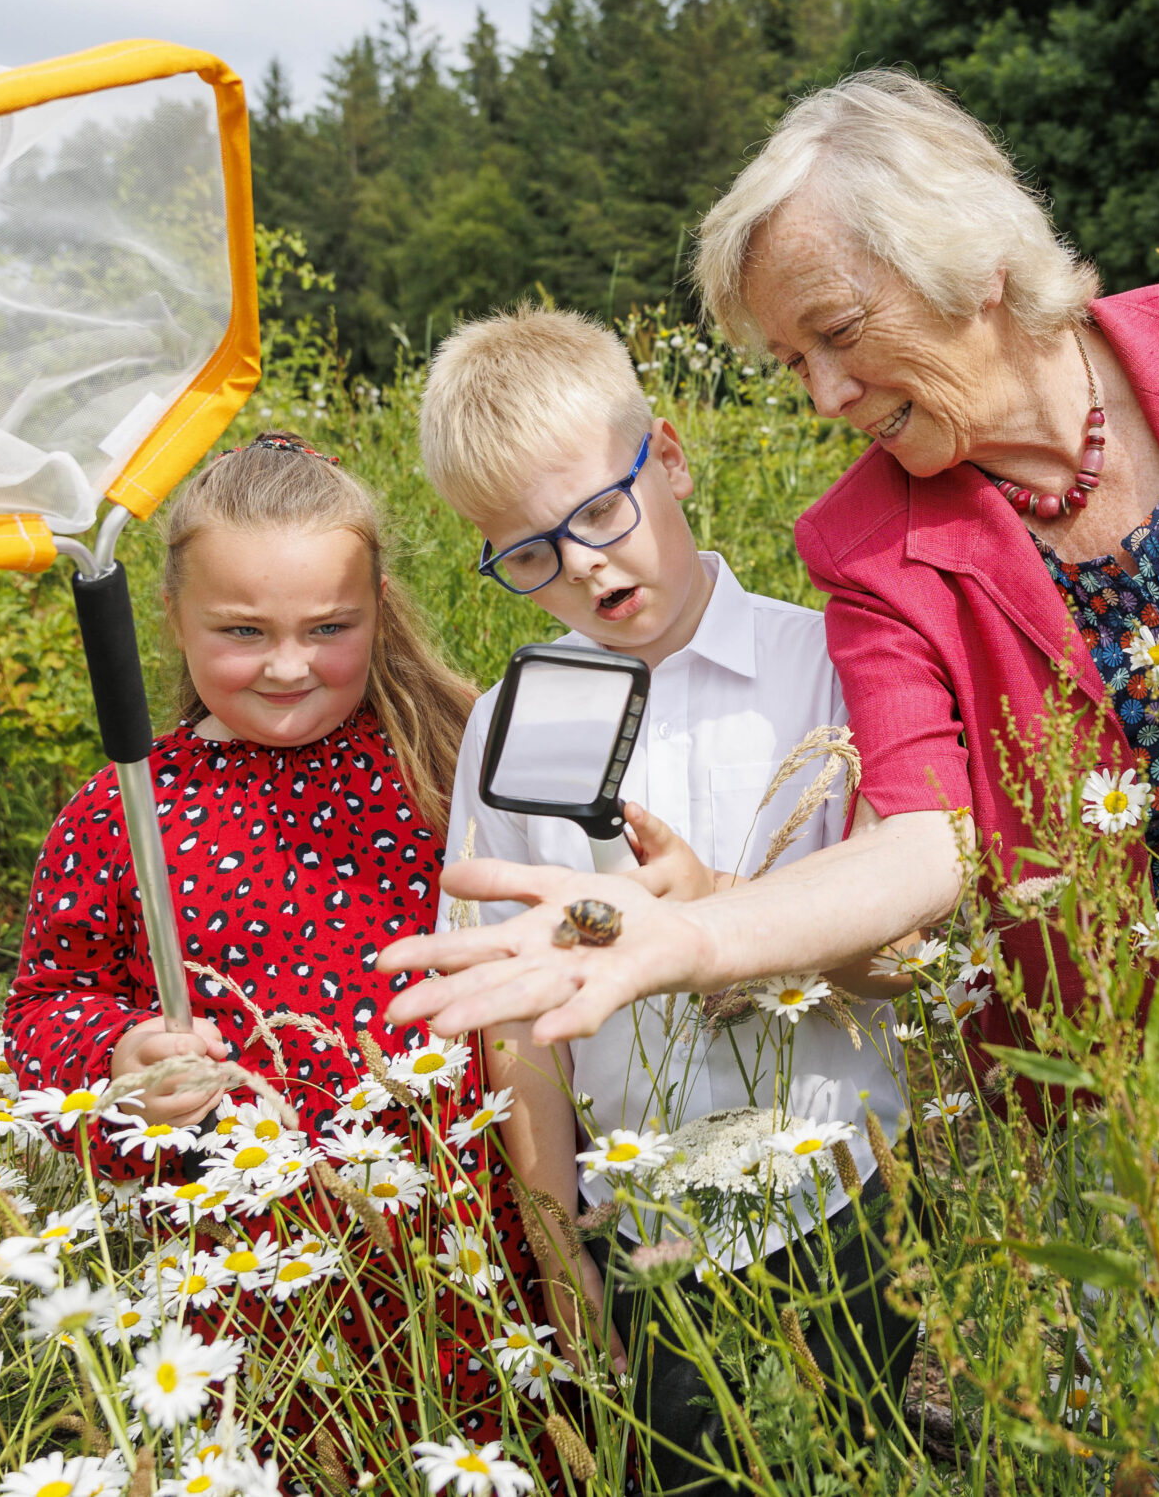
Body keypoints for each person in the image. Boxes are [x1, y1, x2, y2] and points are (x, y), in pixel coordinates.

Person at [377, 70, 1159, 1477]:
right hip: (1122, 1055)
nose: (829, 395)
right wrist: (696, 932)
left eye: (838, 335)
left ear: (969, 261)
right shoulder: (870, 545)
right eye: (794, 365)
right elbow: (930, 827)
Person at [415, 306, 914, 1489]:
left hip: (848, 1202)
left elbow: (914, 951)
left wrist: (726, 919)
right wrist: (558, 1260)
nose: (582, 565)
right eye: (529, 552)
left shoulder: (831, 664)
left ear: (671, 457)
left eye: (598, 513)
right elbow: (514, 1029)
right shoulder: (506, 726)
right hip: (648, 1227)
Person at [2, 431, 551, 1482]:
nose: (290, 663)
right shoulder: (123, 812)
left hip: (473, 1246)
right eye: (243, 630)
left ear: (380, 607)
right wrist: (120, 1056)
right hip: (254, 1270)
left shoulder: (457, 761)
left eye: (329, 628)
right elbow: (45, 1005)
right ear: (173, 618)